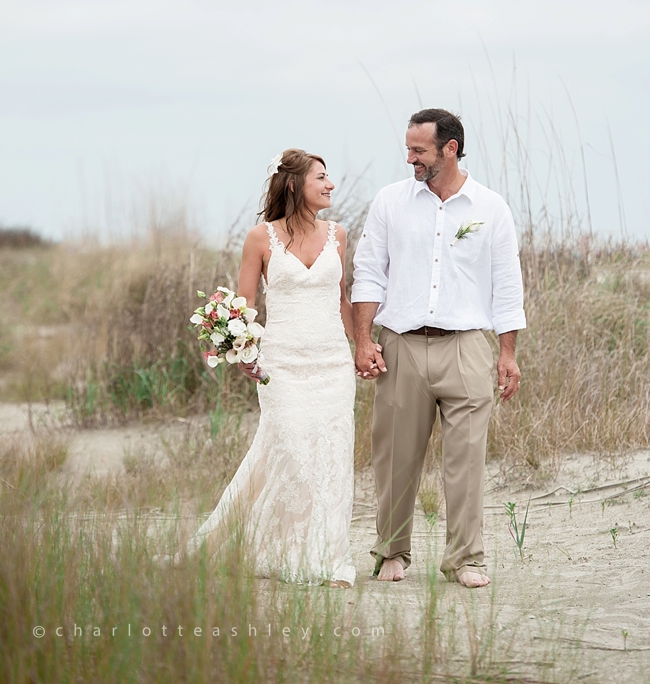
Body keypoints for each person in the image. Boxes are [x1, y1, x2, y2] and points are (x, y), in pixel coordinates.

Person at [351, 108, 526, 588]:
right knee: (394, 457)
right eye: (408, 149)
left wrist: (507, 353)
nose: (410, 158)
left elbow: (507, 286)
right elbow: (368, 273)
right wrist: (363, 340)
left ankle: (466, 559)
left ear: (450, 148)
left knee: (467, 459)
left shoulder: (491, 208)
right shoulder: (390, 202)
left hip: (467, 346)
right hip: (401, 346)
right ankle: (391, 551)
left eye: (418, 150)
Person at [183, 149, 365, 587]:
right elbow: (243, 308)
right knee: (294, 454)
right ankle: (273, 545)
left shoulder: (338, 235)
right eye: (321, 177)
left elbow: (341, 299)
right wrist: (243, 352)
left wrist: (362, 343)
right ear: (294, 185)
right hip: (281, 365)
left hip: (331, 363)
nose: (330, 185)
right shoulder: (259, 239)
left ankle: (328, 559)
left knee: (333, 457)